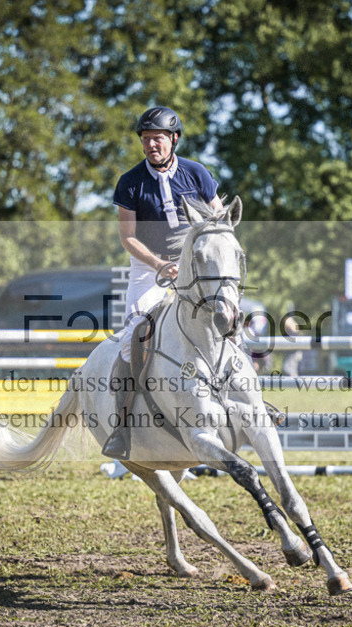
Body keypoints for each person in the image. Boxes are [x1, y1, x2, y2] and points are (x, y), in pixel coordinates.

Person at [101, 106, 224, 459]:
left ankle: (254, 401)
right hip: (147, 265)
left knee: (226, 319)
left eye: (157, 138)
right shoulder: (130, 182)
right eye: (145, 139)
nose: (150, 145)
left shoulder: (197, 173)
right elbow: (127, 237)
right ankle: (122, 427)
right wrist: (158, 264)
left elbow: (218, 220)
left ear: (173, 139)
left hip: (192, 262)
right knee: (134, 338)